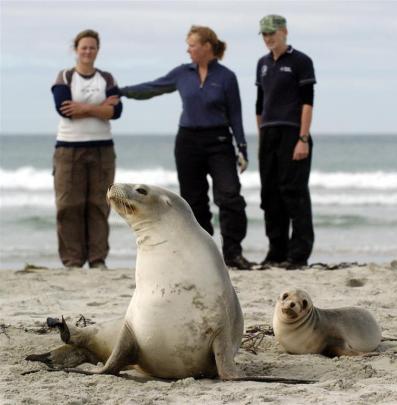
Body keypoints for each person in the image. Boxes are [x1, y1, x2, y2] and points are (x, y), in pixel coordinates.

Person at [119, 25, 254, 270]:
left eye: (192, 45)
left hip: (220, 141)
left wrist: (242, 147)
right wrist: (121, 92)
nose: (188, 49)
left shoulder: (226, 77)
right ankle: (204, 254)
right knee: (194, 200)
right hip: (188, 142)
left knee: (230, 197)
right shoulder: (183, 73)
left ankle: (233, 253)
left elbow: (236, 114)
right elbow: (152, 88)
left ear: (207, 47)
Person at [51, 29, 123, 269]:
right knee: (68, 205)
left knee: (99, 204)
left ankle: (97, 259)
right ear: (76, 49)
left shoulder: (108, 78)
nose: (88, 51)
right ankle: (72, 260)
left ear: (97, 50)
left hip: (103, 149)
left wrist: (83, 107)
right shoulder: (65, 76)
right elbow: (64, 110)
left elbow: (117, 112)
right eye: (84, 47)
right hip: (69, 149)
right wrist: (100, 108)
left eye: (92, 47)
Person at [255, 15, 316, 270]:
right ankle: (276, 252)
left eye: (272, 33)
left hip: (293, 133)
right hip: (268, 134)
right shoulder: (262, 63)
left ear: (284, 32)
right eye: (265, 34)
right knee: (270, 195)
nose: (268, 38)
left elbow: (307, 102)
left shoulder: (301, 61)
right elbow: (259, 103)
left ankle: (298, 254)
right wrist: (260, 136)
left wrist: (303, 138)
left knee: (294, 193)